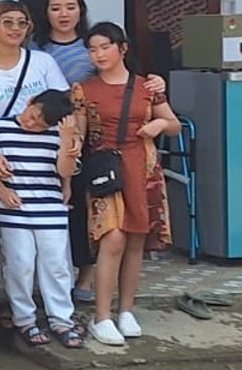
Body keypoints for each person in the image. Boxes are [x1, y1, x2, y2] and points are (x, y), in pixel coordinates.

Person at [32, 0, 166, 306]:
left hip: (97, 147)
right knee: (66, 210)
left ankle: (87, 278)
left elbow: (129, 87)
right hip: (57, 136)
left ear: (81, 9)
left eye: (70, 6)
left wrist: (157, 85)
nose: (63, 14)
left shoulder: (95, 46)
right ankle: (57, 283)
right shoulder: (37, 52)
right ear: (45, 13)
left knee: (92, 216)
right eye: (55, 7)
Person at [76, 23, 180, 347]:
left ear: (122, 48)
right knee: (113, 238)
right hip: (105, 168)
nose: (98, 55)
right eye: (92, 49)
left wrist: (159, 123)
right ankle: (101, 315)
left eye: (104, 47)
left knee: (136, 237)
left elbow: (174, 124)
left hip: (143, 166)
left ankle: (126, 310)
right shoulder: (83, 89)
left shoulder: (148, 86)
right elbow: (78, 136)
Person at [0, 90, 84, 349]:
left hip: (50, 208)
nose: (32, 123)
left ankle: (61, 319)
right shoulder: (0, 129)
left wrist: (66, 139)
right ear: (29, 102)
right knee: (19, 264)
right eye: (33, 115)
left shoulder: (59, 135)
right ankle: (24, 318)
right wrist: (2, 191)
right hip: (13, 209)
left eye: (41, 123)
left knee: (56, 265)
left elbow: (65, 171)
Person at [0, 0, 69, 186]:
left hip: (42, 155)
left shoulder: (43, 62)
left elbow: (63, 106)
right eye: (8, 22)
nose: (15, 28)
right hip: (1, 154)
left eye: (22, 23)